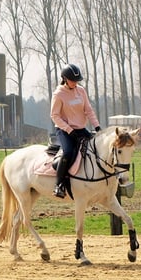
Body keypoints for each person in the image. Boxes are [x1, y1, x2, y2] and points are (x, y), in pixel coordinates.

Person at [50, 63, 101, 198]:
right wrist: (69, 130)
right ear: (65, 79)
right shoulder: (59, 94)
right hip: (64, 130)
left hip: (81, 128)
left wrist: (97, 126)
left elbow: (88, 110)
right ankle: (59, 185)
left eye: (77, 81)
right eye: (73, 80)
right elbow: (54, 116)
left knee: (96, 148)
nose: (75, 83)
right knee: (68, 152)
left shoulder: (81, 91)